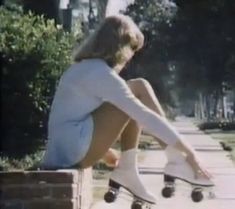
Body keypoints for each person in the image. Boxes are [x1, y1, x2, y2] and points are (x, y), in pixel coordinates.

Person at [41, 14, 213, 204]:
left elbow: (70, 117)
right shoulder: (100, 73)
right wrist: (191, 154)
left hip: (66, 149)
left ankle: (131, 169)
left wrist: (104, 152)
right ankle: (175, 160)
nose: (130, 57)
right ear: (119, 47)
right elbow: (145, 116)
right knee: (138, 92)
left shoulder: (82, 68)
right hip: (73, 151)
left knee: (137, 87)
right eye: (132, 49)